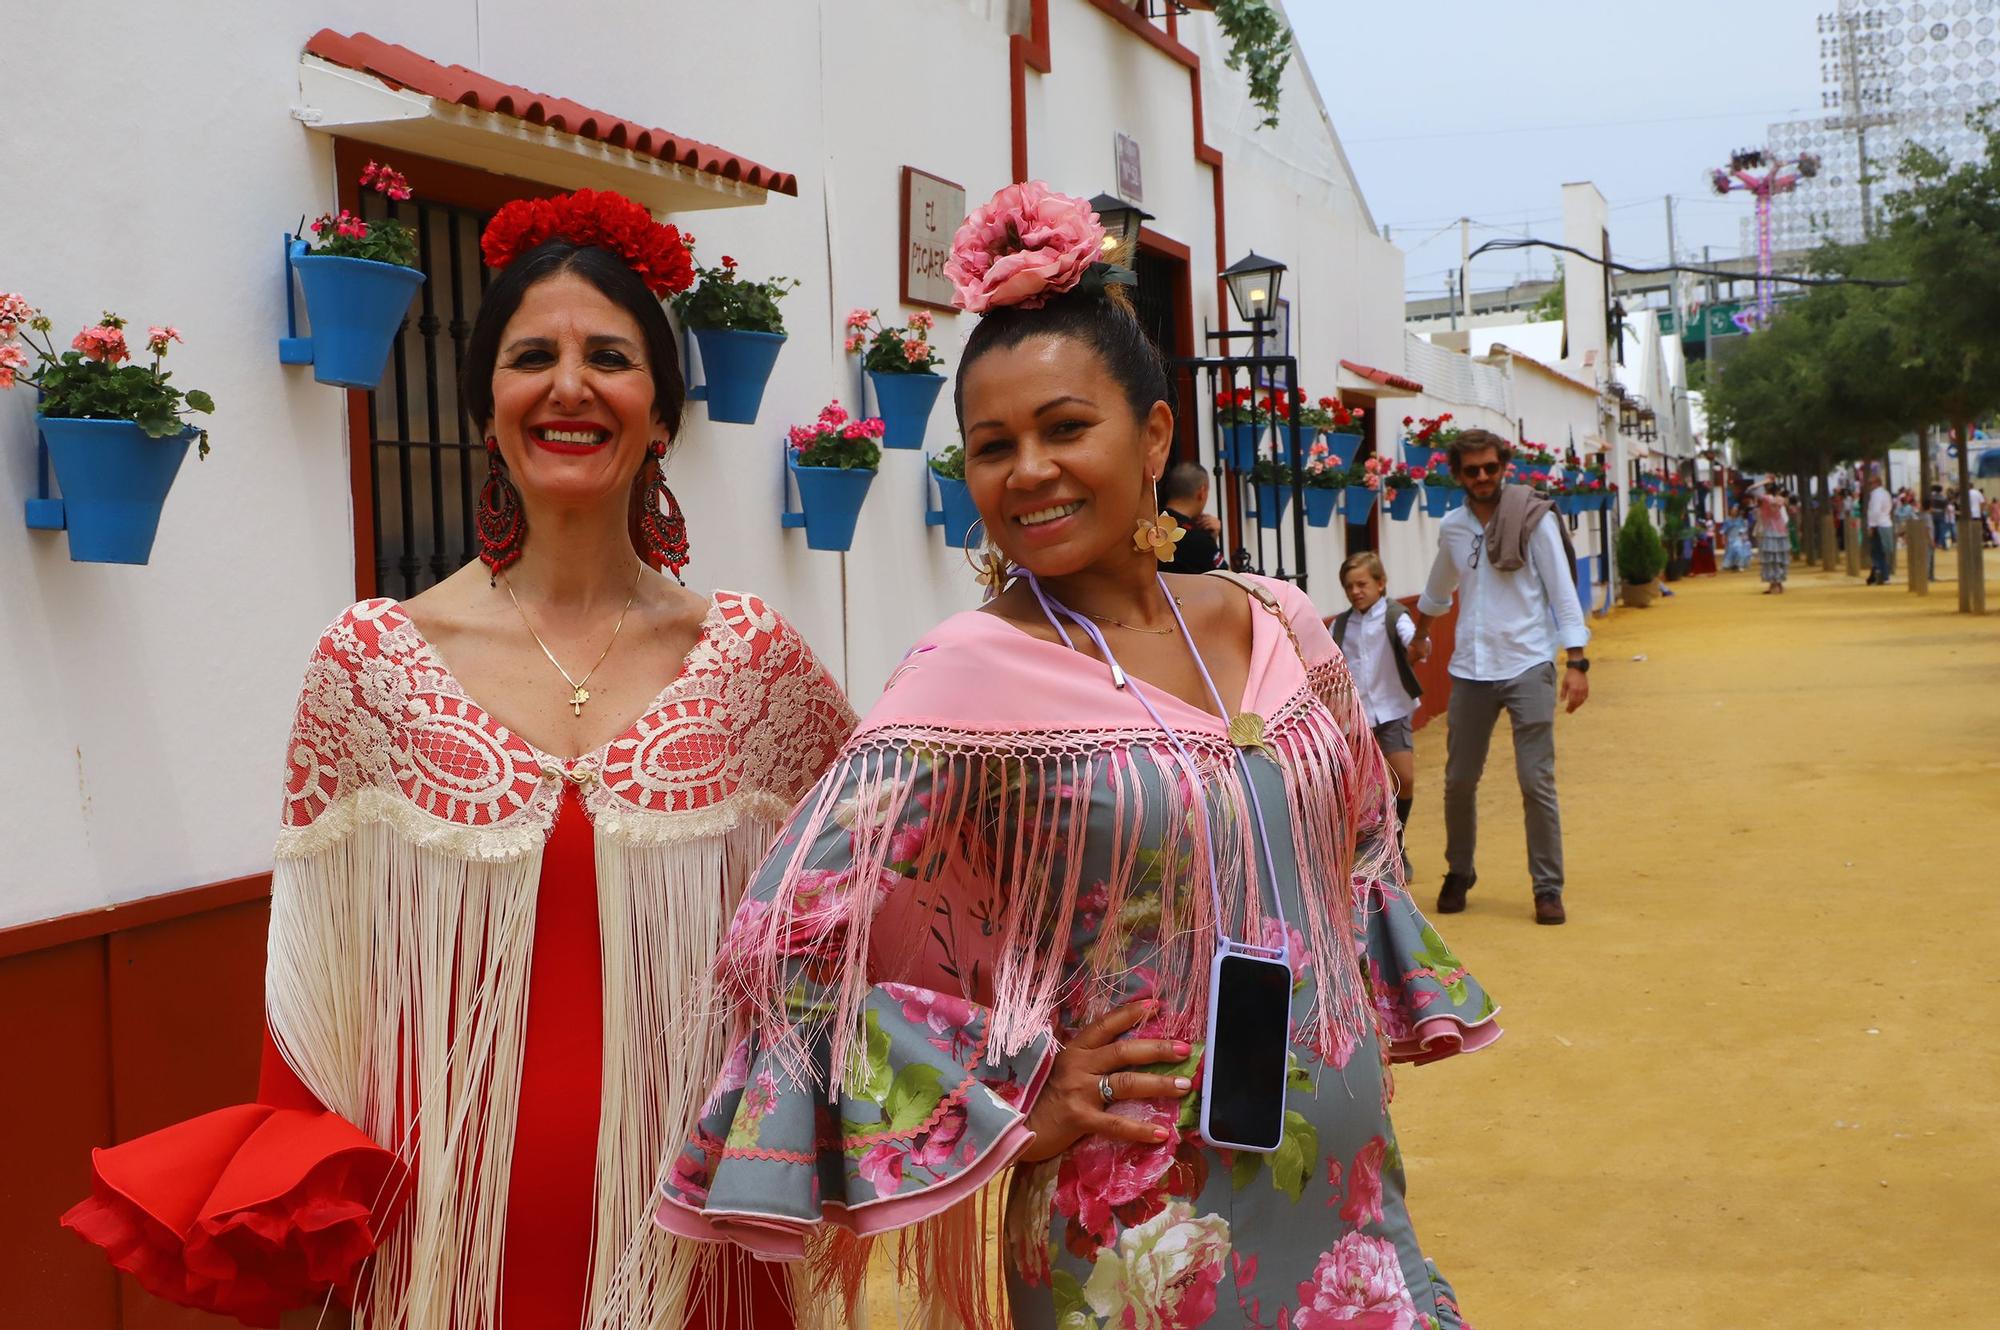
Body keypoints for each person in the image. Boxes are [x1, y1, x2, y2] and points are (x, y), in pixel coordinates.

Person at [654, 183, 1496, 1330]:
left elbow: (1353, 862)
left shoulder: (1285, 626)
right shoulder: (966, 675)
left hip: (1347, 1205)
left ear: (1154, 435)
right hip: (1134, 1234)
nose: (1029, 470)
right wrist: (1007, 1087)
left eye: (1064, 427)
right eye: (992, 447)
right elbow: (789, 945)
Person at [61, 189, 856, 1329]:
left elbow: (879, 901)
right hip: (443, 1257)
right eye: (532, 355)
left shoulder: (757, 669)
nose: (569, 385)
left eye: (610, 357)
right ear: (489, 407)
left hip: (707, 1258)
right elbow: (312, 1001)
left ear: (662, 413)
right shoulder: (371, 663)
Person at [1407, 429, 1590, 926]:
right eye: (1473, 470)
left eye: (1491, 467)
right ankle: (1459, 871)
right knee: (1458, 780)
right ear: (1458, 474)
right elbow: (1438, 588)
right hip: (1471, 668)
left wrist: (1577, 662)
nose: (1483, 476)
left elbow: (1562, 592)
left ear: (1503, 465)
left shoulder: (1534, 520)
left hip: (1528, 662)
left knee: (1537, 782)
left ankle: (1547, 889)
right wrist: (1422, 633)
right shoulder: (1453, 527)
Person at [1333, 551, 1424, 870]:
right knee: (1363, 788)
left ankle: (1397, 840)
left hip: (1392, 709)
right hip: (1355, 717)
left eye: (1362, 584)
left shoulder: (1395, 615)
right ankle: (1374, 849)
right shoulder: (1342, 625)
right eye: (1349, 587)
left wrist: (1416, 646)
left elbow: (1412, 639)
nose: (1355, 591)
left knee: (1404, 778)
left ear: (1380, 584)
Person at [1159, 458, 1223, 573]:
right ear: (1202, 492)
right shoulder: (1200, 540)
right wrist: (1212, 539)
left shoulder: (1148, 523)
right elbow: (1228, 579)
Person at [1756, 486, 1794, 594]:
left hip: (1769, 533)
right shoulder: (1780, 502)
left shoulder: (1766, 502)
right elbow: (1785, 519)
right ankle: (1779, 584)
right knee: (1779, 559)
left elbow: (1751, 490)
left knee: (1771, 560)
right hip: (1780, 533)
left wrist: (1765, 482)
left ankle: (1774, 584)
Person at [1866, 471, 1894, 584]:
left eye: (1870, 483)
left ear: (1877, 483)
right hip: (1886, 523)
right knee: (1883, 552)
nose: (1869, 485)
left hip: (1878, 525)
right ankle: (1885, 576)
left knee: (1876, 553)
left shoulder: (1876, 494)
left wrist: (1871, 526)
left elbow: (1875, 511)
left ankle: (1879, 575)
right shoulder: (1885, 493)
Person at [1722, 505, 1754, 571]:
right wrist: (1723, 538)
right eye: (1732, 511)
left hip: (1738, 537)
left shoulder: (1740, 520)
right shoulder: (1727, 520)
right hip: (1730, 538)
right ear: (1730, 511)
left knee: (1739, 551)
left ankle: (1739, 565)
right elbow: (1723, 530)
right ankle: (1730, 565)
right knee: (1730, 552)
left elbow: (1744, 529)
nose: (1734, 512)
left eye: (1735, 511)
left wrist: (1744, 537)